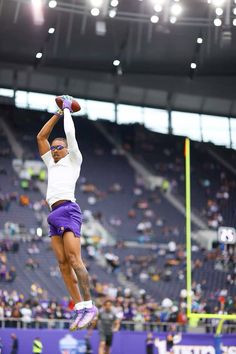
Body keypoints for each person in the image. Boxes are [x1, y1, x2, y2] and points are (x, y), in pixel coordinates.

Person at [37, 95, 98, 331]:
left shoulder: (73, 159)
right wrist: (57, 114)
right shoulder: (51, 163)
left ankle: (90, 304)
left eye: (58, 147)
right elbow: (41, 137)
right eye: (53, 148)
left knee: (74, 260)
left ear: (66, 150)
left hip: (68, 210)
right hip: (53, 214)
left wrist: (68, 110)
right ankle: (81, 307)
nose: (54, 150)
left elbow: (70, 136)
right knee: (62, 265)